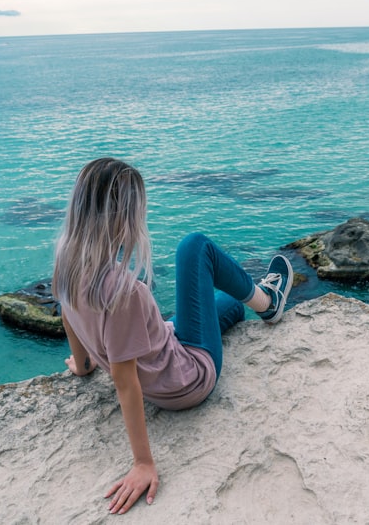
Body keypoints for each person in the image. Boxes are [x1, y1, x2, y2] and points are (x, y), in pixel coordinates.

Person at [52, 157, 292, 515]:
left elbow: (69, 319)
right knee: (195, 248)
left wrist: (84, 365)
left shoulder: (66, 264)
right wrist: (143, 463)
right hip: (191, 376)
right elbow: (125, 381)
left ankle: (250, 301)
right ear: (125, 218)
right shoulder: (124, 292)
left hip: (164, 351)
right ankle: (269, 303)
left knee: (226, 304)